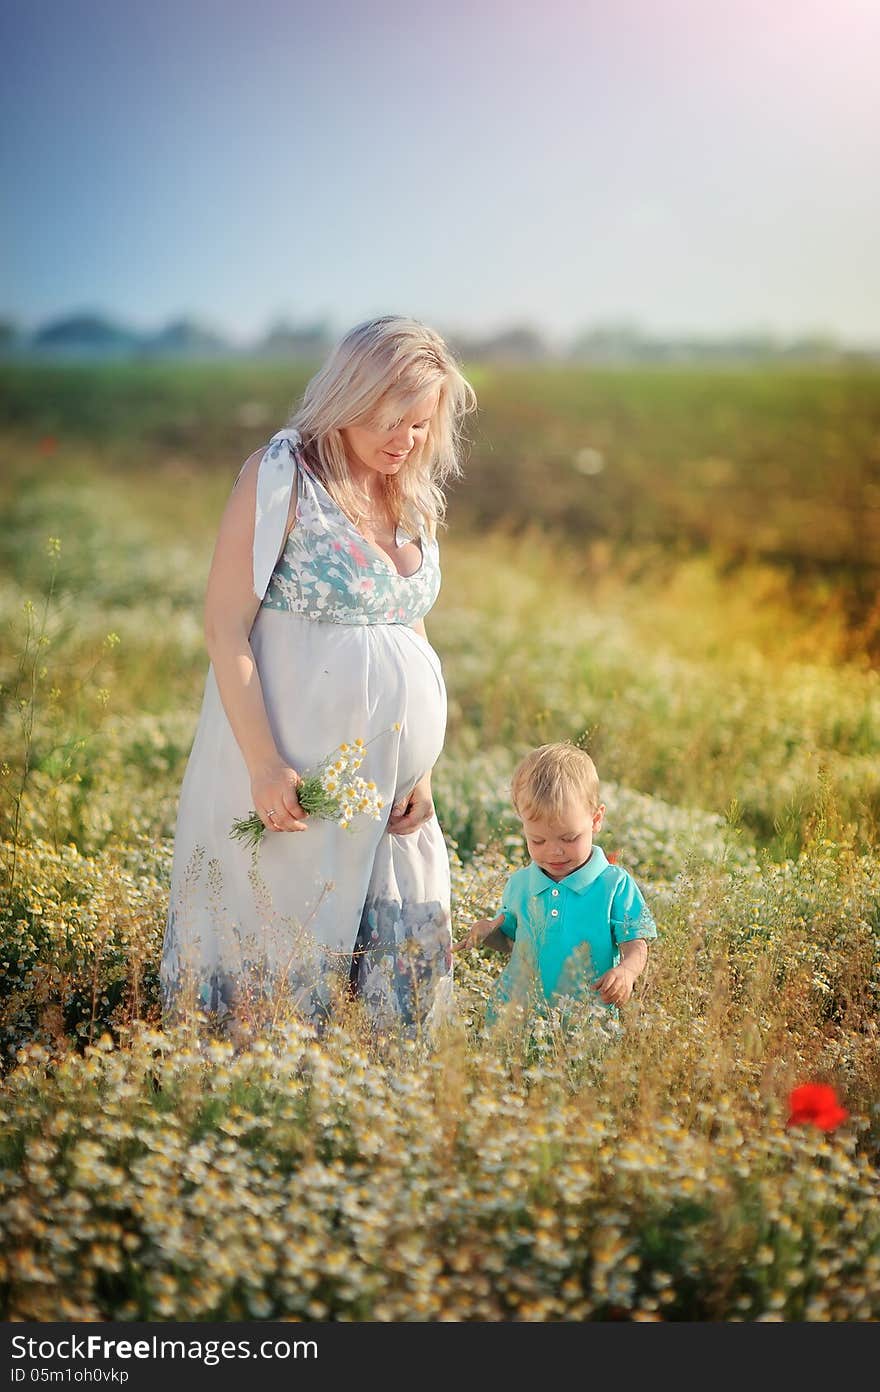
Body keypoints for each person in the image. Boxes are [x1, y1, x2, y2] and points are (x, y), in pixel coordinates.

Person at [160, 316, 477, 1039]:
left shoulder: (410, 490)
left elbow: (403, 622)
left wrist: (419, 769)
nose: (405, 441)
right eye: (391, 421)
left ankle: (373, 1109)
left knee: (391, 973)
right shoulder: (283, 475)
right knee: (284, 944)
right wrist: (265, 764)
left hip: (389, 784)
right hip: (296, 770)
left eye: (422, 425)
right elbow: (223, 626)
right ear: (348, 395)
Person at [453, 743, 657, 1024]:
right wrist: (488, 933)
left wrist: (627, 972)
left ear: (596, 819)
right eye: (537, 840)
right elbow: (513, 943)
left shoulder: (613, 884)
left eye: (569, 838)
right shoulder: (521, 884)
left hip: (584, 1022)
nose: (554, 851)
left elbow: (636, 942)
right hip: (515, 1019)